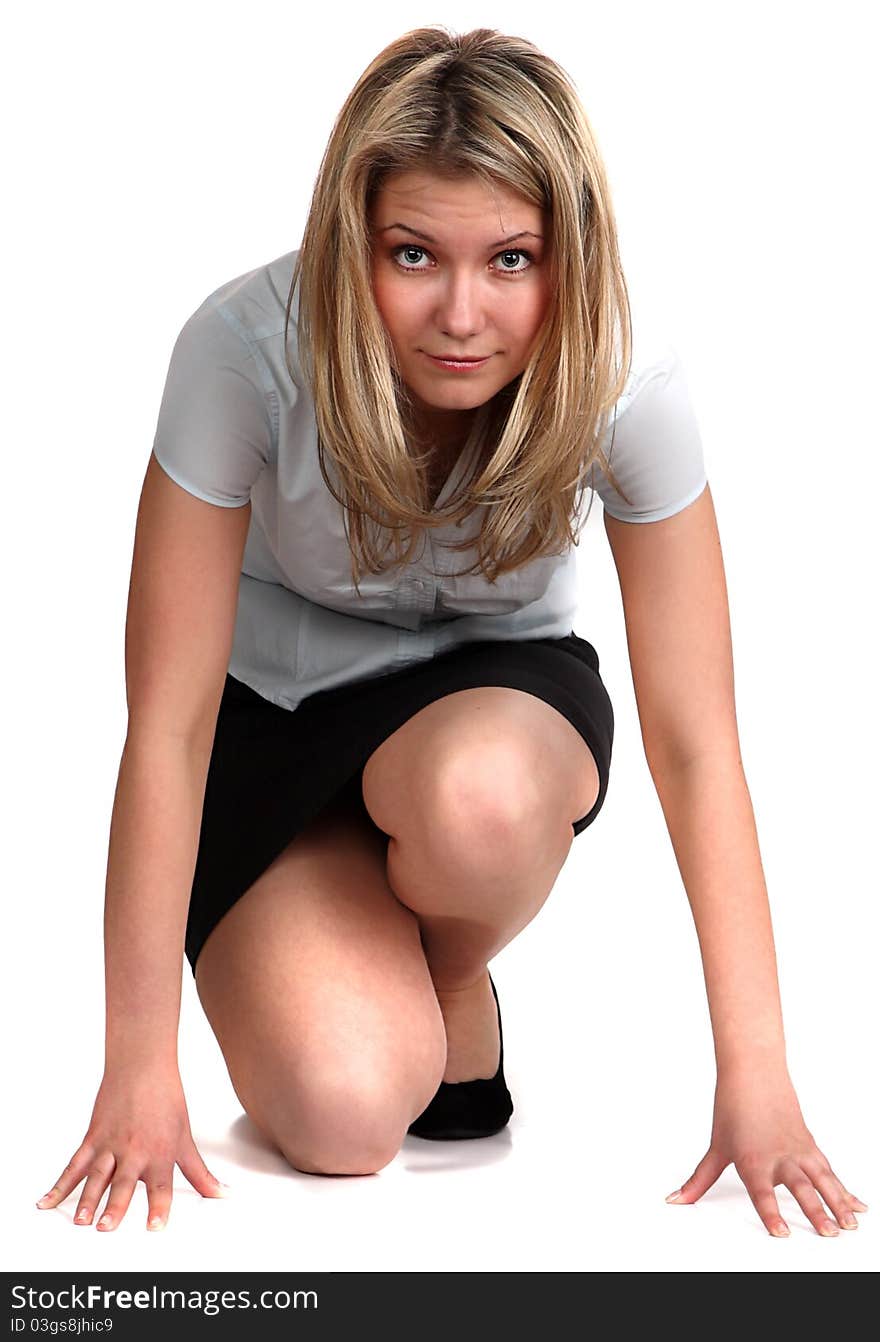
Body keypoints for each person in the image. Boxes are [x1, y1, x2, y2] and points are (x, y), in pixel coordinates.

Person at [36, 25, 866, 1239]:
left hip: (494, 708)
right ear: (349, 243)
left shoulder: (627, 378)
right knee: (342, 1117)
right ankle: (379, 963)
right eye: (412, 254)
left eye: (513, 260)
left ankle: (444, 958)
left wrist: (760, 1078)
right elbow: (164, 726)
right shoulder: (242, 353)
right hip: (271, 725)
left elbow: (696, 742)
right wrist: (134, 1064)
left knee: (481, 800)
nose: (461, 314)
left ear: (566, 257)